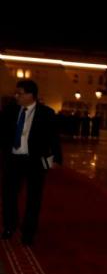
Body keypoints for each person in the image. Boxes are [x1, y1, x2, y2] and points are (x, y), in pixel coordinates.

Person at [3, 79, 62, 246]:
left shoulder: (46, 113)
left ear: (30, 95)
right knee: (9, 194)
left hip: (34, 161)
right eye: (16, 93)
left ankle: (28, 231)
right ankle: (9, 226)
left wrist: (57, 158)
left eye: (20, 93)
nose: (16, 96)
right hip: (13, 159)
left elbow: (53, 137)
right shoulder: (10, 110)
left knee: (34, 197)